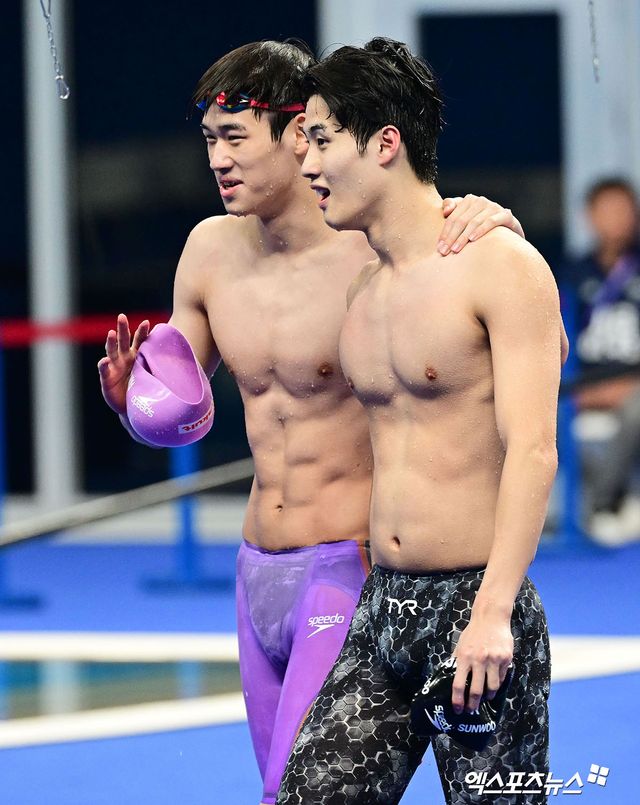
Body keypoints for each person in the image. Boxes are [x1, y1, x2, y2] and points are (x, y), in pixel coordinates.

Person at [97, 40, 530, 805]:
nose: (218, 160)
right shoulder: (207, 251)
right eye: (210, 139)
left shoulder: (370, 249)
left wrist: (503, 225)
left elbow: (509, 328)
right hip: (254, 569)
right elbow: (177, 413)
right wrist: (133, 403)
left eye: (235, 138)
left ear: (297, 133)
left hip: (347, 566)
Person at [277, 38, 566, 804]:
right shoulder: (362, 292)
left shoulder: (500, 265)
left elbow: (534, 449)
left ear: (384, 143)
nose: (307, 164)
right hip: (383, 612)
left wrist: (494, 613)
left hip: (478, 611)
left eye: (322, 139)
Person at [563, 178, 640, 545]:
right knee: (539, 412)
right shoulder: (570, 275)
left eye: (623, 209)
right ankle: (604, 503)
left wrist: (625, 389)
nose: (616, 219)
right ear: (589, 216)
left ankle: (603, 504)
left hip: (634, 389)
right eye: (607, 210)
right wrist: (579, 391)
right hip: (580, 388)